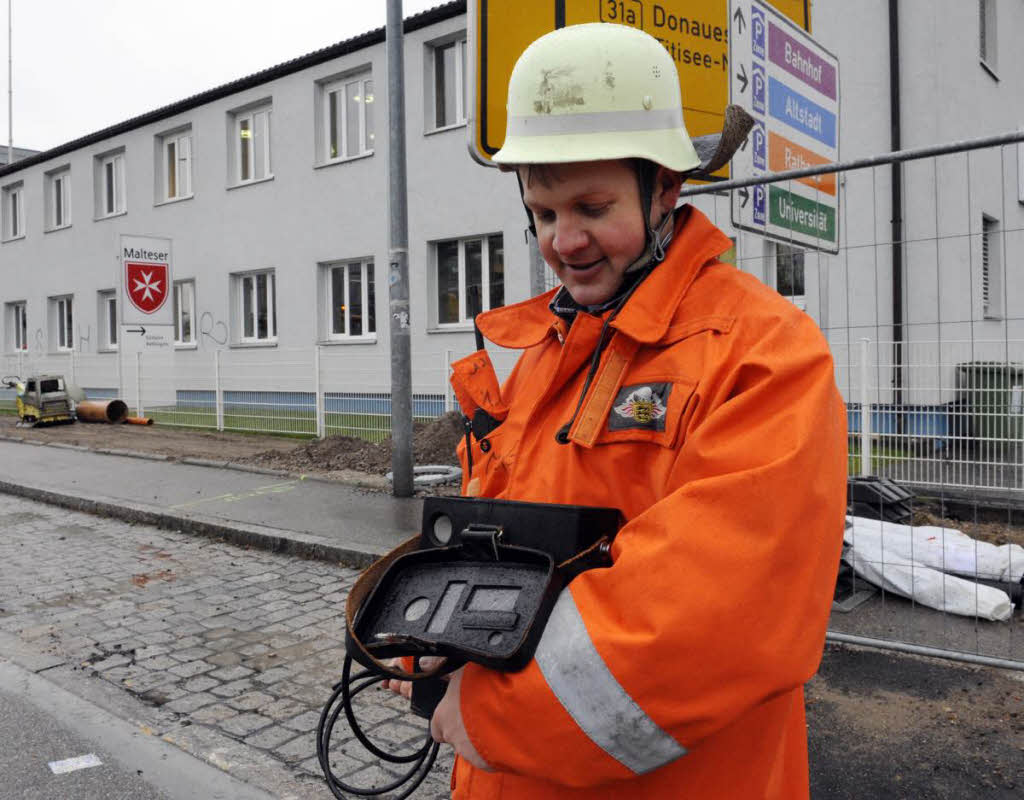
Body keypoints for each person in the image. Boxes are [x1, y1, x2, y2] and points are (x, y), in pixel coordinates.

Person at [397, 22, 847, 798]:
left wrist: (496, 710)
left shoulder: (764, 354)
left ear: (666, 187)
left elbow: (712, 618)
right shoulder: (548, 348)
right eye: (542, 212)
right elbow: (502, 545)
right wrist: (431, 637)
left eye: (592, 206)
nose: (563, 240)